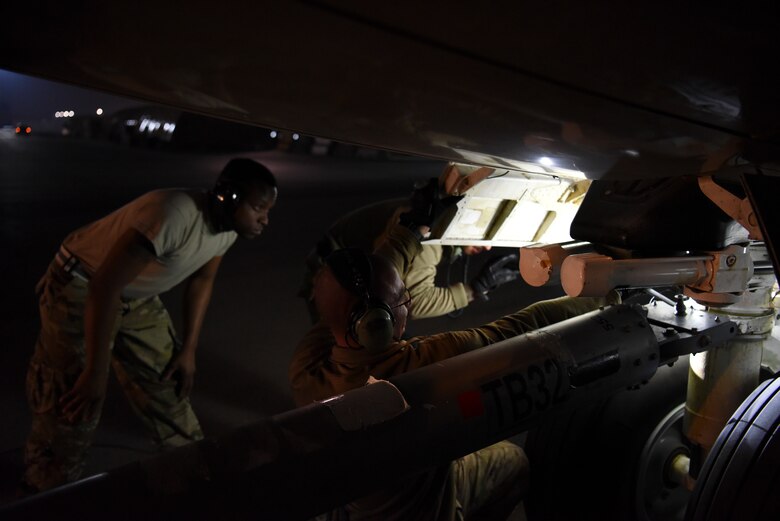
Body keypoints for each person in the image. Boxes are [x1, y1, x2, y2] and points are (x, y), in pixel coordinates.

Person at [289, 220, 615, 521]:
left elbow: (363, 284)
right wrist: (606, 292)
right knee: (512, 462)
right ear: (377, 325)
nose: (411, 305)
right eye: (404, 300)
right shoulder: (419, 369)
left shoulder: (307, 365)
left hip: (360, 499)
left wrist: (409, 233)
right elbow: (522, 328)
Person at [21, 158, 277, 493]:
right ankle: (47, 488)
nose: (265, 220)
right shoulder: (173, 213)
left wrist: (188, 350)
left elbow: (203, 280)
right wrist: (96, 373)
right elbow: (104, 287)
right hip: (82, 284)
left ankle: (196, 476)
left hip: (132, 293)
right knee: (75, 398)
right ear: (228, 198)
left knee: (168, 381)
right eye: (258, 208)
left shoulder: (227, 229)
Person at [299, 197, 518, 322]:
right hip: (331, 282)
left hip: (348, 273)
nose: (488, 246)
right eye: (485, 235)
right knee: (348, 359)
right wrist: (475, 289)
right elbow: (416, 303)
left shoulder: (442, 213)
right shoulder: (431, 232)